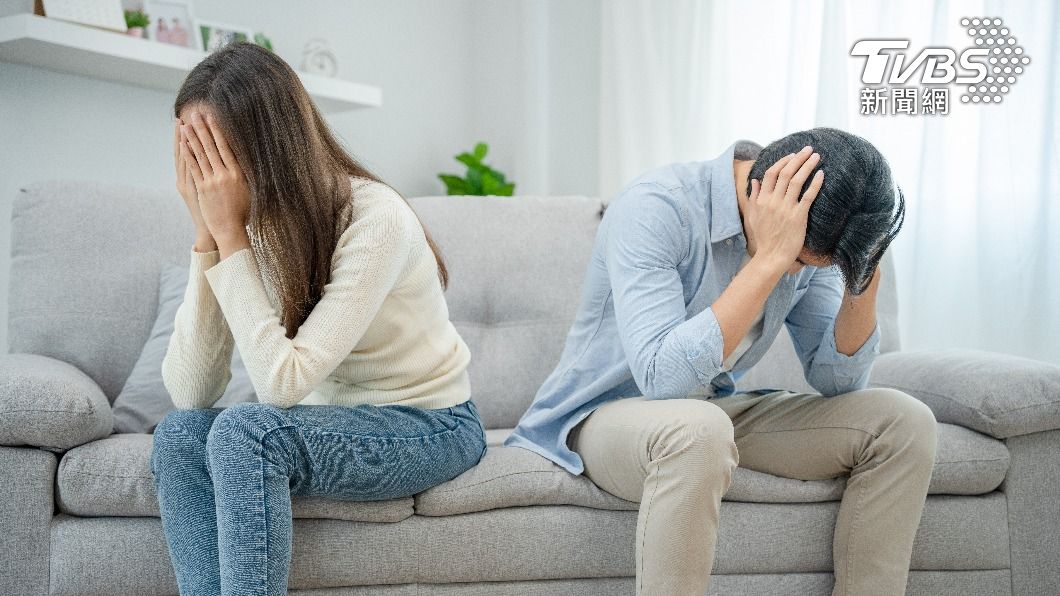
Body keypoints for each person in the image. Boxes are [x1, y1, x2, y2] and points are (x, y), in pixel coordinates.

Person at [505, 128, 938, 596]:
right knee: (697, 429)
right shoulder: (657, 207)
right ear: (761, 195)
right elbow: (661, 379)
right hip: (598, 415)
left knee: (902, 420)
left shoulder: (809, 245)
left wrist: (860, 278)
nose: (800, 272)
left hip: (710, 411)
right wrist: (770, 259)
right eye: (798, 261)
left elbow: (838, 380)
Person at [150, 41, 487, 596]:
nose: (204, 174)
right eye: (192, 152)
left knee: (247, 433)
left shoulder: (376, 217)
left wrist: (229, 234)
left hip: (429, 425)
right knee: (181, 434)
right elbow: (190, 392)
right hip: (328, 421)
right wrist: (207, 237)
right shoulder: (250, 222)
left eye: (212, 152)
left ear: (267, 144)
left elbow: (282, 384)